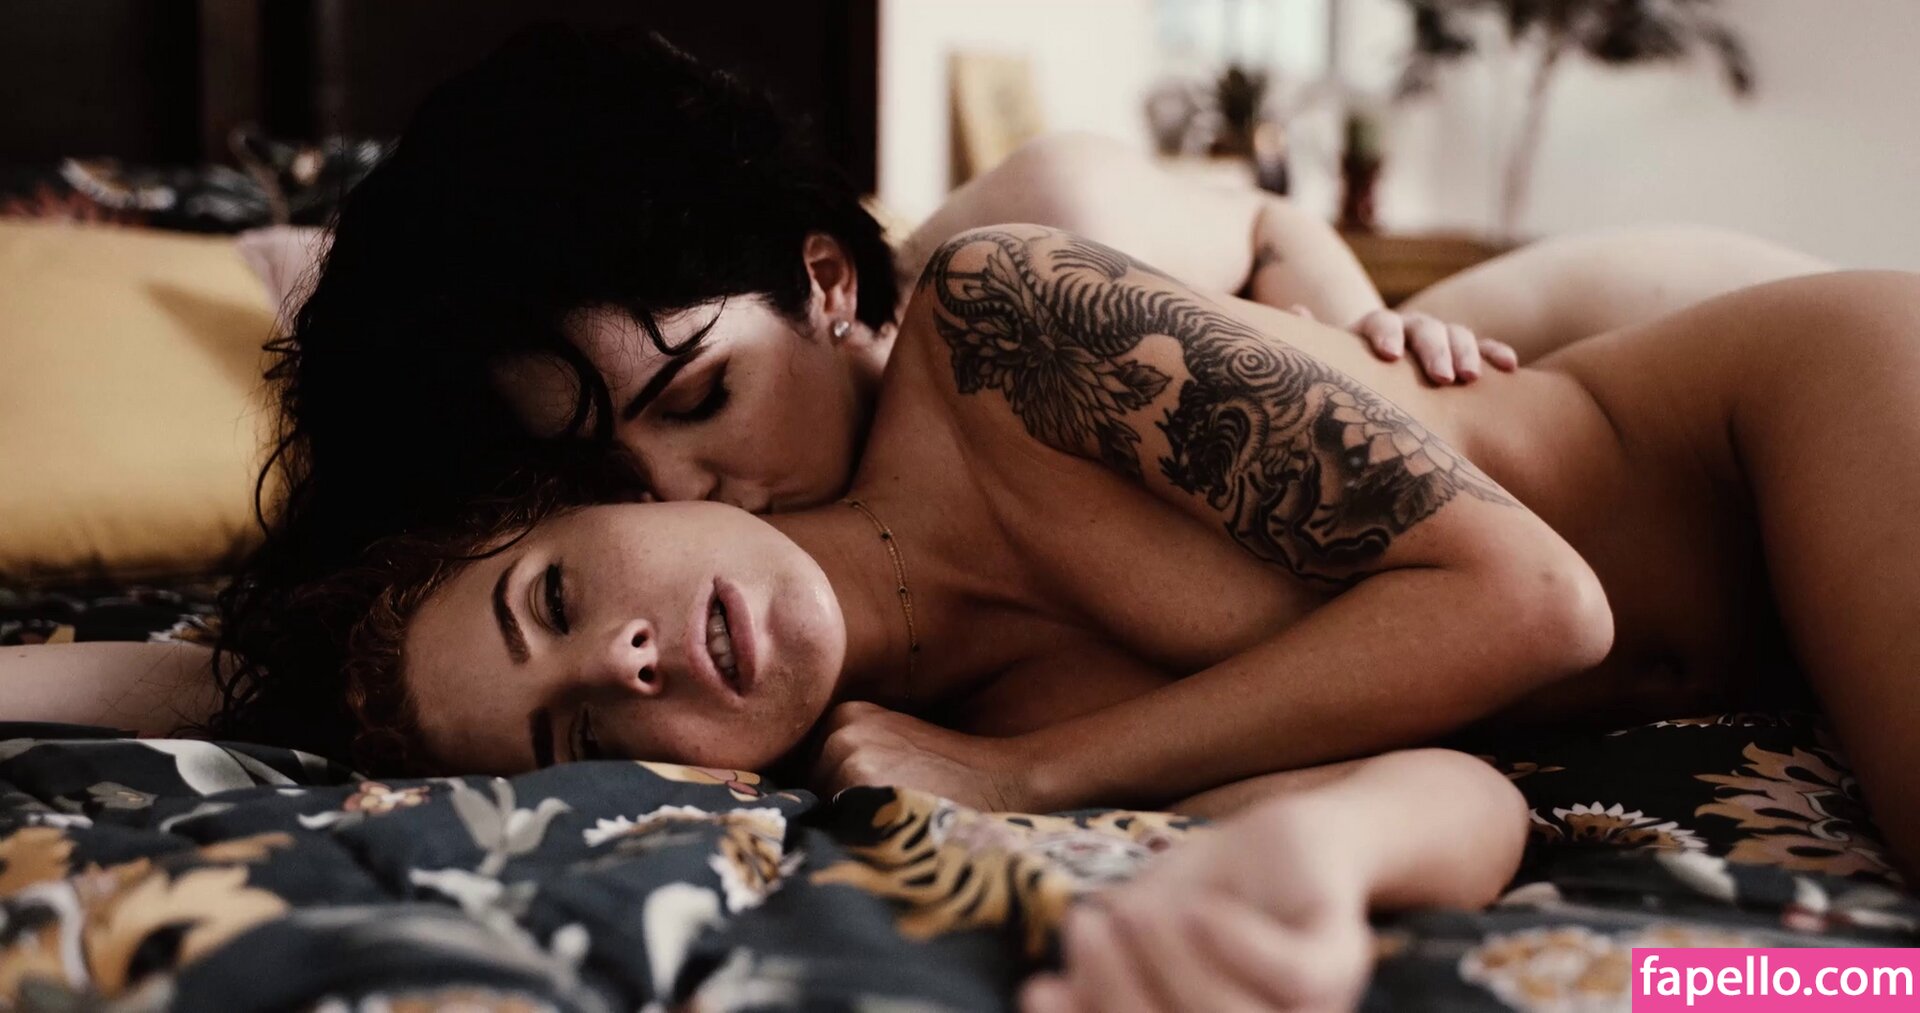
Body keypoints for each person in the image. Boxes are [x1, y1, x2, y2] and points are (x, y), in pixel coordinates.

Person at [205, 27, 1829, 752]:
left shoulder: (1021, 276)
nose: (686, 493)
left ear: (824, 284)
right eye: (615, 482)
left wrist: (1370, 329)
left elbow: (1272, 232)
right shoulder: (767, 650)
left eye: (701, 401)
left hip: (1667, 356)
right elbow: (354, 650)